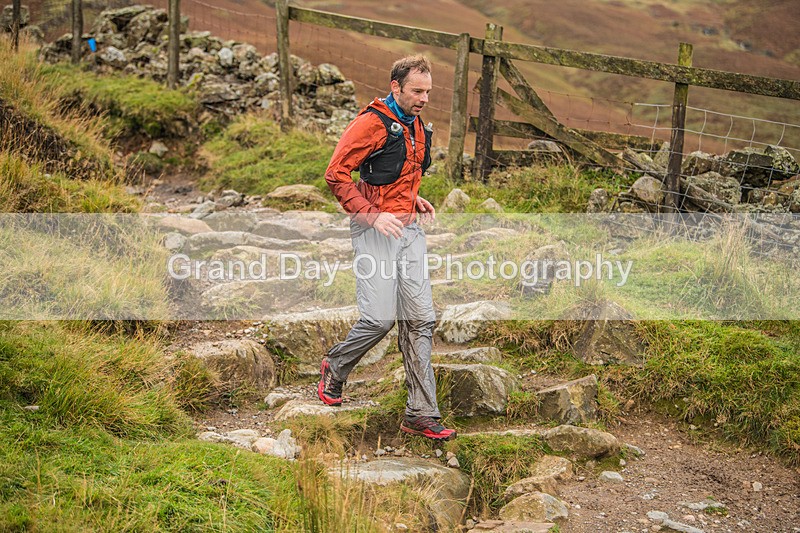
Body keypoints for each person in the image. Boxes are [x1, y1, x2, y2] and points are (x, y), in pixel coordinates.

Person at [317, 55, 456, 441]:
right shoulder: (370, 124)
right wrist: (372, 215)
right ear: (395, 87)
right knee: (379, 319)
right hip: (374, 231)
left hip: (409, 232)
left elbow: (398, 173)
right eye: (417, 91)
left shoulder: (420, 127)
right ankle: (336, 365)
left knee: (421, 320)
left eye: (428, 91)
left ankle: (421, 413)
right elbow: (336, 174)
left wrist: (414, 198)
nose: (424, 98)